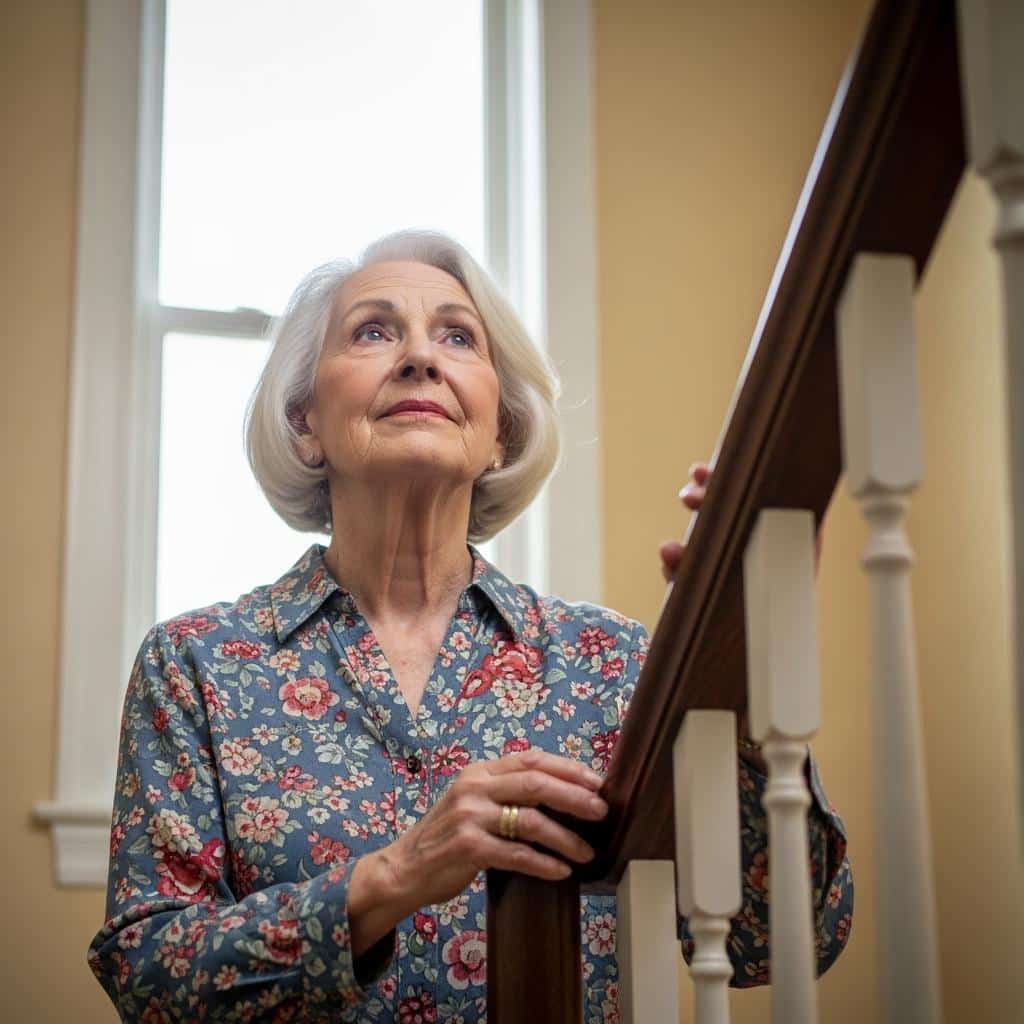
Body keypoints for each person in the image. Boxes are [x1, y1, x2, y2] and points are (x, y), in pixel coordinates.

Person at [87, 229, 853, 1022]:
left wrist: (744, 665)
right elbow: (147, 979)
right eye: (374, 331)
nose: (421, 358)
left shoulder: (611, 663)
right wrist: (392, 877)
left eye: (457, 336)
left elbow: (781, 937)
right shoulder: (195, 665)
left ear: (500, 435)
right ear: (306, 421)